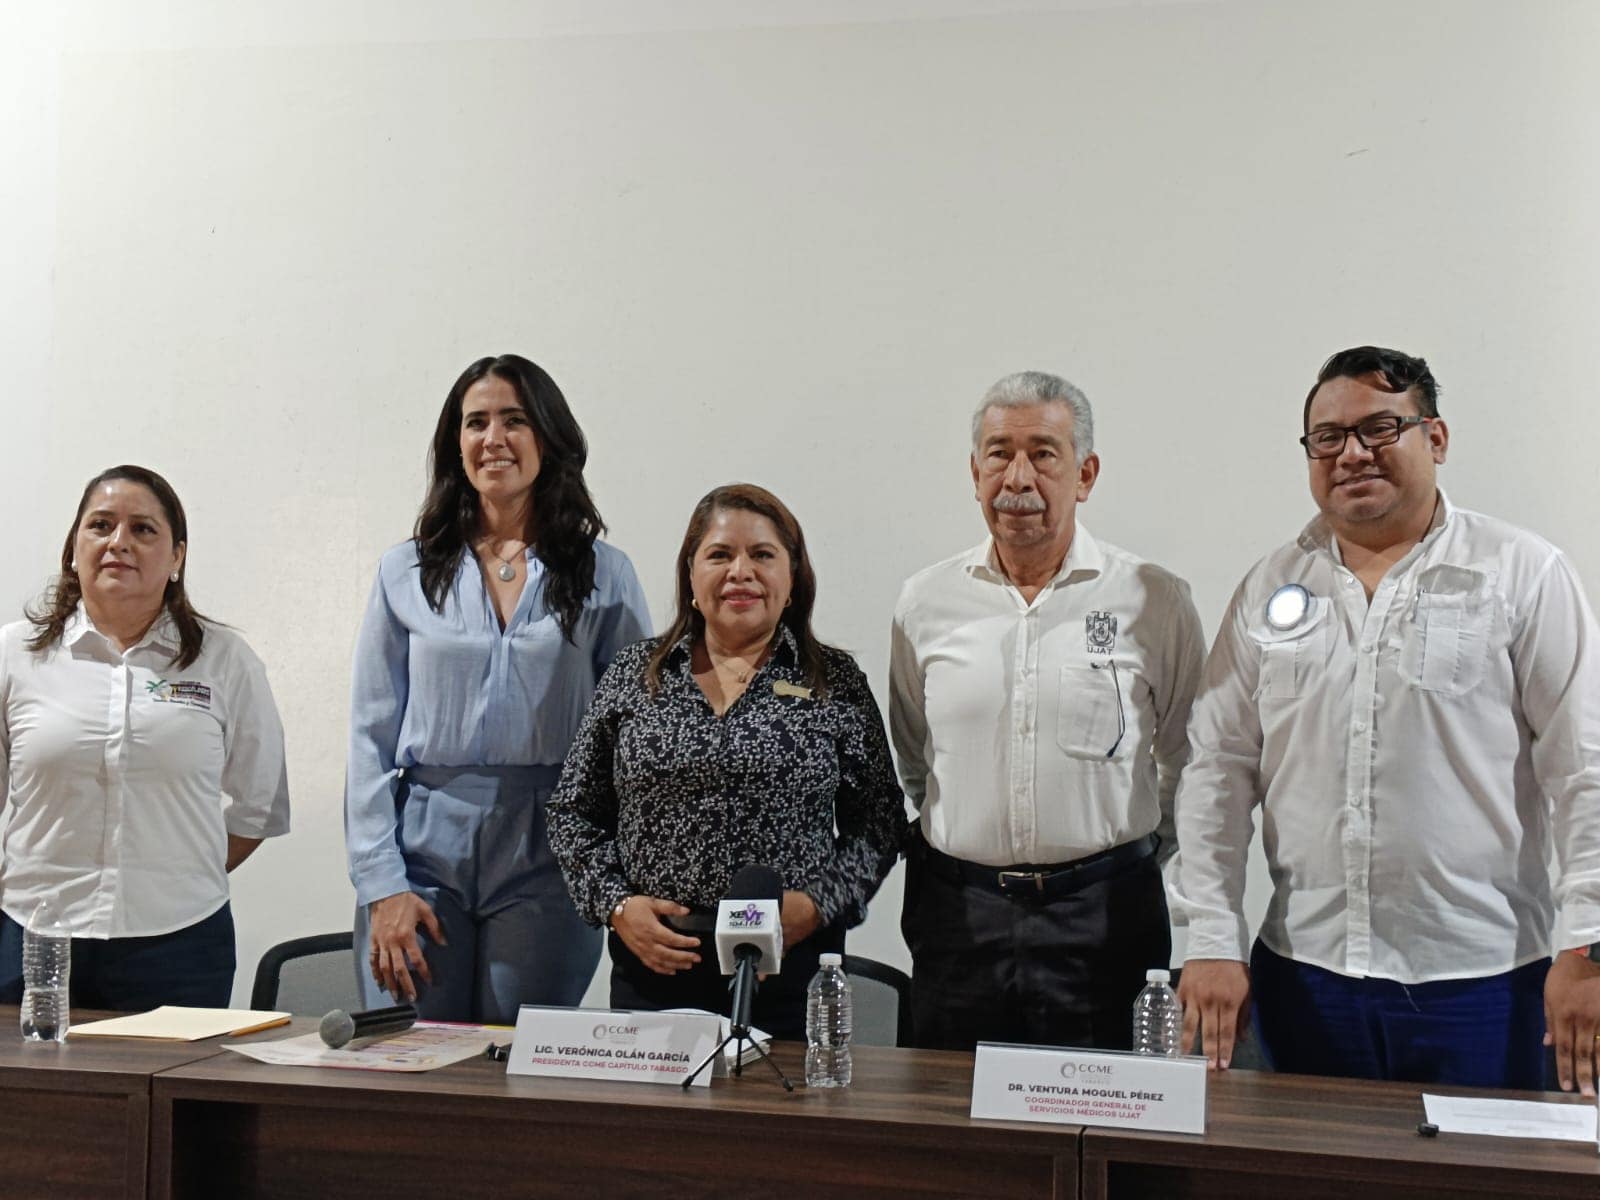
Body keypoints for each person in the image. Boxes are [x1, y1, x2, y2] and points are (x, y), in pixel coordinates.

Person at [1173, 345, 1600, 1094]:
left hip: (1486, 982)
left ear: (1435, 438)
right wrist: (1211, 939)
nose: (1351, 454)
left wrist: (1589, 947)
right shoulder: (1270, 585)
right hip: (1304, 979)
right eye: (1328, 438)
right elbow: (1217, 774)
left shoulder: (1522, 573)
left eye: (1379, 429)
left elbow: (1585, 772)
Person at [889, 371, 1205, 1052]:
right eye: (999, 454)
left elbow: (1191, 758)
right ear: (975, 473)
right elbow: (916, 757)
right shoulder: (925, 602)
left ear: (1085, 474)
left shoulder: (1152, 599)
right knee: (953, 1125)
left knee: (1106, 1124)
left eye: (1044, 453)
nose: (1018, 478)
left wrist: (1130, 855)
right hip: (958, 916)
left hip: (1105, 916)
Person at [345, 354, 650, 1023]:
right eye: (476, 422)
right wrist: (380, 884)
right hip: (421, 848)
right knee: (411, 1060)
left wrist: (615, 875)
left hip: (551, 848)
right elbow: (369, 739)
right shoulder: (406, 570)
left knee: (518, 1068)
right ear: (455, 443)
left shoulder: (606, 574)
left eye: (514, 420)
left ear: (549, 437)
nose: (494, 438)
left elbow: (634, 740)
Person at [548, 483, 904, 1039]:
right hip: (658, 965)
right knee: (661, 1127)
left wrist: (816, 905)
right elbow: (572, 812)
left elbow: (879, 822)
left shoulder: (833, 682)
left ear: (792, 580)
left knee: (780, 1125)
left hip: (790, 969)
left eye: (762, 555)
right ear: (691, 577)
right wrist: (617, 907)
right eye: (719, 555)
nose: (741, 571)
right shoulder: (634, 676)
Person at [0, 465, 289, 1009]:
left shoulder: (225, 661)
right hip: (32, 937)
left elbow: (259, 807)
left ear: (177, 557)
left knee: (170, 1094)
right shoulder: (14, 655)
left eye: (143, 529)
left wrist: (173, 869)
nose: (119, 543)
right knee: (29, 1095)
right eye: (101, 525)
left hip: (179, 944)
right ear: (73, 548)